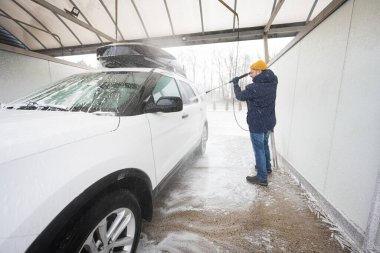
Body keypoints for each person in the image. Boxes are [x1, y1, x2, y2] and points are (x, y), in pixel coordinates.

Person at [232, 60, 278, 187]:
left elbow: (240, 96)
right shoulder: (273, 82)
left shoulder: (253, 88)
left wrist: (236, 84)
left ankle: (262, 178)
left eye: (251, 72)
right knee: (264, 145)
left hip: (257, 123)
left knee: (259, 150)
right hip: (269, 122)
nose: (250, 74)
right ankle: (267, 168)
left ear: (258, 71)